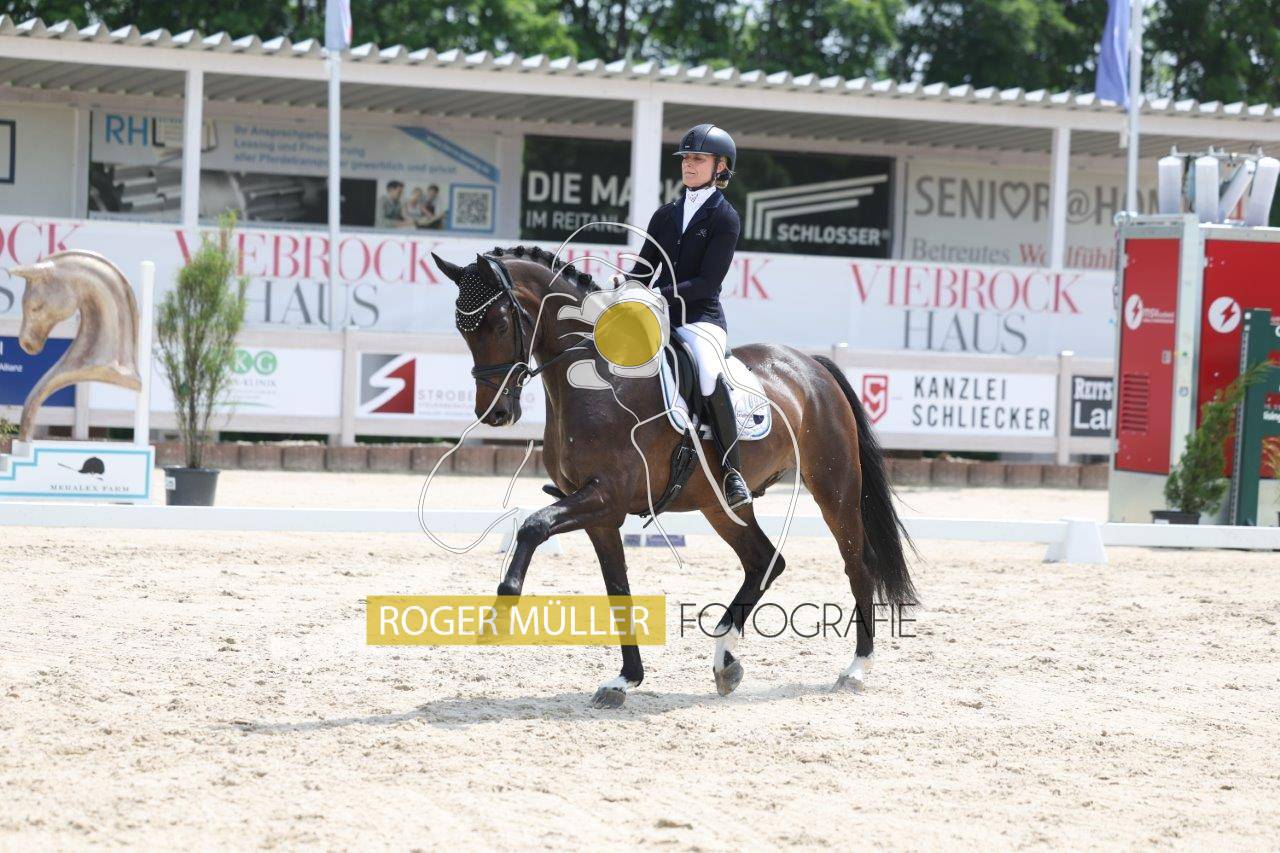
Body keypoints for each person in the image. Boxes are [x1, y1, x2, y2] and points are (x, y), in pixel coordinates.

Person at [612, 123, 751, 509]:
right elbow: (644, 269)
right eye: (686, 158)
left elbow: (707, 282)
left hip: (699, 319)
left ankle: (732, 471)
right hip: (656, 317)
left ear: (720, 166)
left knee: (707, 372)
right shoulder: (665, 215)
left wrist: (658, 295)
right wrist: (623, 285)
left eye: (698, 159)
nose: (688, 165)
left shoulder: (725, 218)